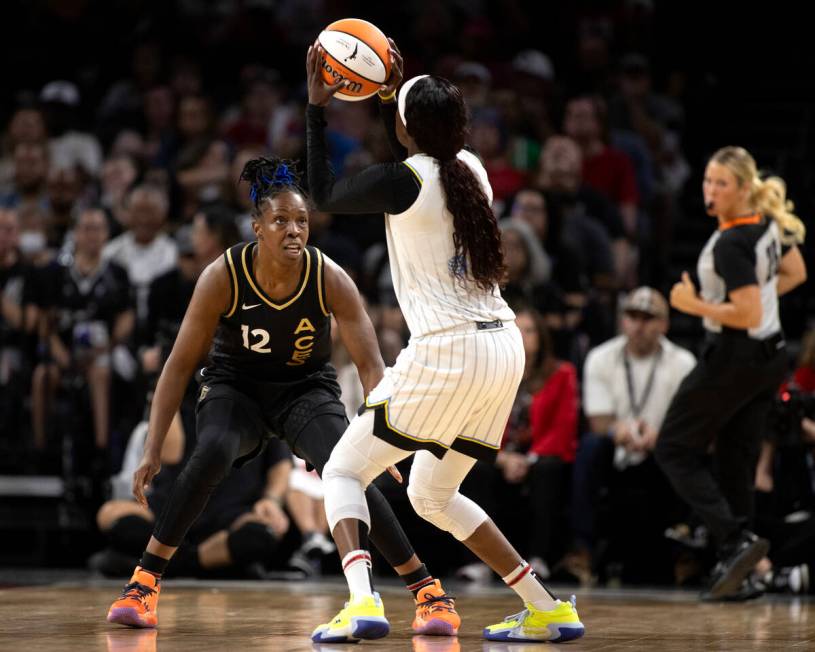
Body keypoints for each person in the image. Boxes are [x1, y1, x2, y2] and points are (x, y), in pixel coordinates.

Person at [106, 156, 459, 636]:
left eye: (302, 221)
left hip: (304, 389)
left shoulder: (329, 276)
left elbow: (372, 364)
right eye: (281, 220)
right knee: (210, 451)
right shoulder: (222, 274)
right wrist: (151, 449)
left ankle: (429, 594)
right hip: (236, 387)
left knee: (350, 470)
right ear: (257, 228)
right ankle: (143, 584)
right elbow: (178, 366)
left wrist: (385, 434)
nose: (294, 230)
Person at [305, 40, 584, 644]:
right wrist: (388, 97)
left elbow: (323, 195)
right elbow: (412, 151)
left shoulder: (403, 181)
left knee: (343, 472)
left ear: (406, 127)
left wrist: (315, 108)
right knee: (432, 493)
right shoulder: (470, 168)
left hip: (449, 349)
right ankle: (546, 607)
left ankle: (361, 604)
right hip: (503, 346)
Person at [654, 146, 807, 601]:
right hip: (769, 356)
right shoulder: (767, 223)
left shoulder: (731, 242)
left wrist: (691, 305)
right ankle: (741, 569)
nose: (711, 190)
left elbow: (744, 312)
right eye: (707, 180)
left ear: (744, 188)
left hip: (735, 356)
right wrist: (757, 299)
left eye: (722, 183)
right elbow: (796, 272)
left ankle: (734, 538)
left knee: (673, 447)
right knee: (735, 460)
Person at [567, 287, 695, 585]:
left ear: (664, 324)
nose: (639, 324)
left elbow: (688, 422)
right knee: (590, 445)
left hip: (662, 452)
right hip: (616, 451)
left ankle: (685, 551)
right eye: (633, 316)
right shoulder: (601, 357)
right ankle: (581, 549)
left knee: (688, 448)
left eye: (648, 318)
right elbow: (598, 420)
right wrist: (617, 431)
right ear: (623, 320)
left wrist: (660, 437)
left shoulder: (683, 362)